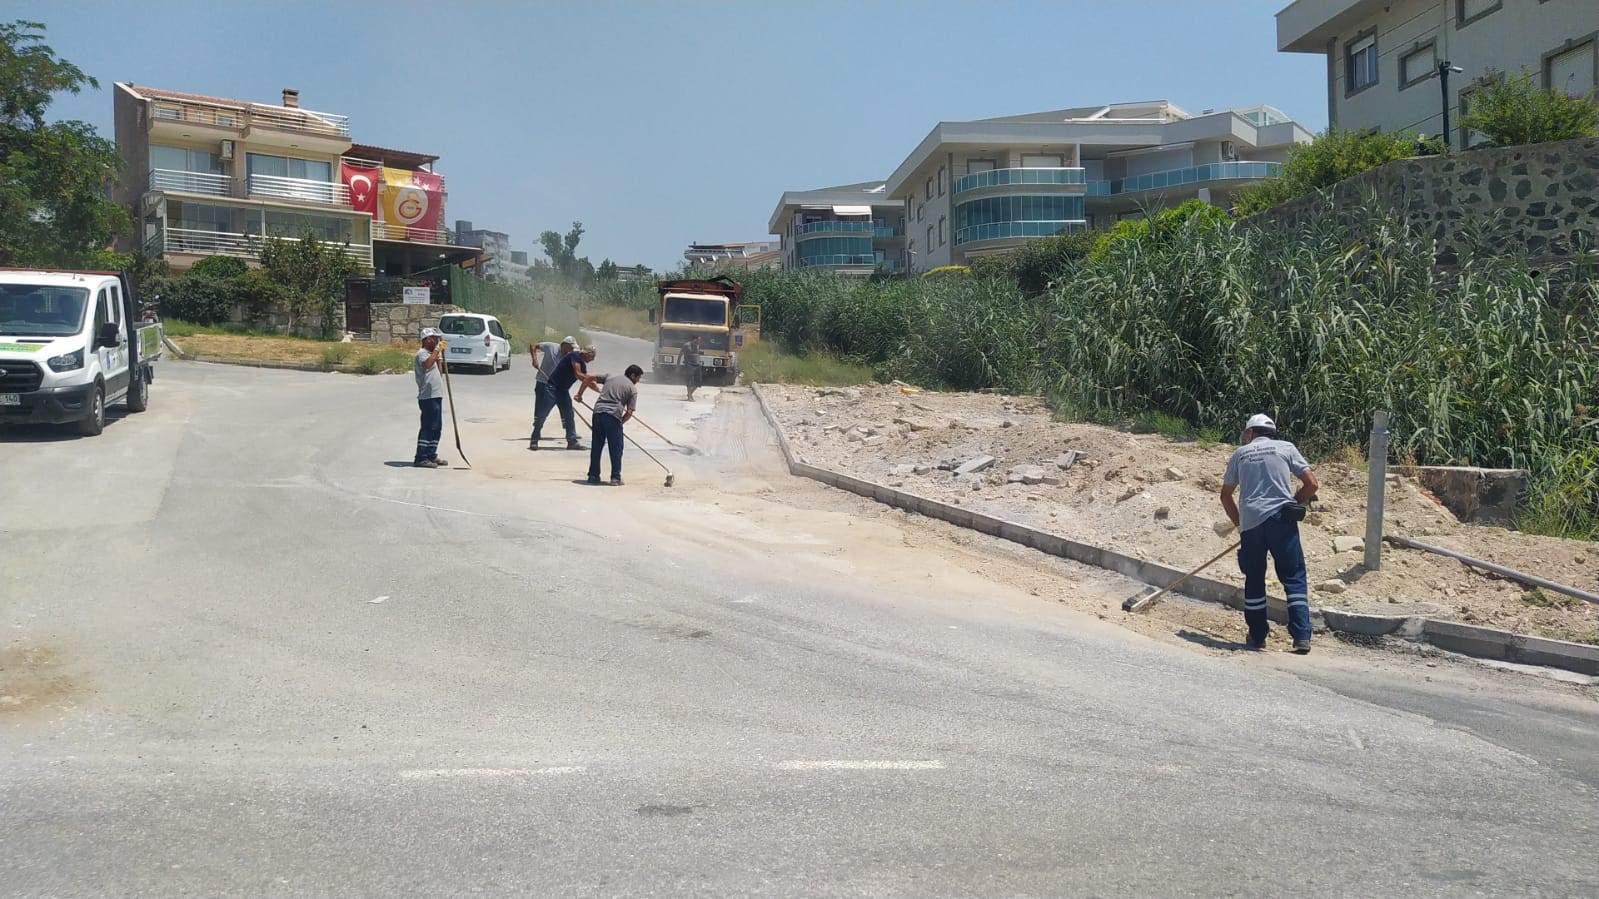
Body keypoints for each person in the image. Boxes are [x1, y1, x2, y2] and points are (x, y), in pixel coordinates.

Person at [1220, 413, 1320, 653]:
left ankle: (1256, 636)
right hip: (1282, 521)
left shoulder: (1240, 454)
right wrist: (1294, 502)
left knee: (1254, 579)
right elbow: (1312, 484)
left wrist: (1240, 525)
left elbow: (1225, 495)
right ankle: (1301, 636)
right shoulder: (1286, 448)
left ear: (1251, 433)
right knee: (1293, 577)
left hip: (1251, 523)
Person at [585, 364, 643, 485]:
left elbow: (589, 377)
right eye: (638, 378)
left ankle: (593, 476)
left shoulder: (609, 376)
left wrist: (579, 394)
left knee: (596, 446)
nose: (638, 381)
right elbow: (629, 412)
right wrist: (620, 423)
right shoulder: (632, 389)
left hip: (598, 412)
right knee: (616, 448)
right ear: (633, 375)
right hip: (613, 415)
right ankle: (615, 478)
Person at [540, 344, 597, 451]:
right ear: (588, 354)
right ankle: (535, 437)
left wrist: (600, 391)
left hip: (562, 391)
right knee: (544, 412)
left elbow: (587, 381)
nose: (593, 359)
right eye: (592, 356)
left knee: (569, 414)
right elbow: (579, 375)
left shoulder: (582, 364)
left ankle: (572, 441)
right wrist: (592, 380)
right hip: (552, 388)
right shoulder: (574, 356)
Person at [528, 335, 576, 449]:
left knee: (567, 411)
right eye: (570, 347)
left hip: (558, 386)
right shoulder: (551, 347)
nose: (572, 350)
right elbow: (533, 345)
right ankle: (536, 433)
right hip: (543, 381)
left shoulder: (569, 356)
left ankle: (571, 437)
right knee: (541, 409)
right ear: (564, 345)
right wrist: (534, 359)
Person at [411, 327, 449, 469]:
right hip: (427, 396)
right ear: (427, 339)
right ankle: (420, 457)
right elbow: (427, 365)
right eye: (435, 338)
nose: (437, 340)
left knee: (436, 426)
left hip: (436, 394)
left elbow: (440, 372)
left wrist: (439, 356)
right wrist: (437, 350)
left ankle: (431, 454)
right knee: (428, 426)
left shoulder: (432, 354)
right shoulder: (421, 353)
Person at [681, 335, 704, 401]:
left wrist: (699, 362)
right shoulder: (686, 345)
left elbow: (697, 354)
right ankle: (689, 396)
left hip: (697, 365)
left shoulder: (697, 345)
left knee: (698, 382)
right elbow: (680, 354)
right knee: (689, 381)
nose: (700, 342)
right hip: (689, 365)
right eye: (699, 340)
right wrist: (678, 365)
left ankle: (690, 393)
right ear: (694, 339)